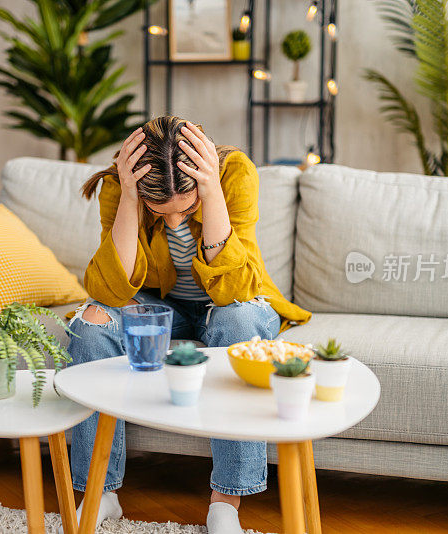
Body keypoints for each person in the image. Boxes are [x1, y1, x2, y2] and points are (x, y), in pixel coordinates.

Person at [65, 115, 311, 533]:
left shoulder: (233, 172)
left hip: (236, 301)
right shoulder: (120, 185)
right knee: (89, 328)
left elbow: (236, 288)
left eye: (188, 208)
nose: (177, 221)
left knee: (238, 320)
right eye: (163, 211)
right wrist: (128, 199)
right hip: (162, 306)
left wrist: (211, 193)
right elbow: (110, 291)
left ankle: (226, 502)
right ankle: (99, 492)